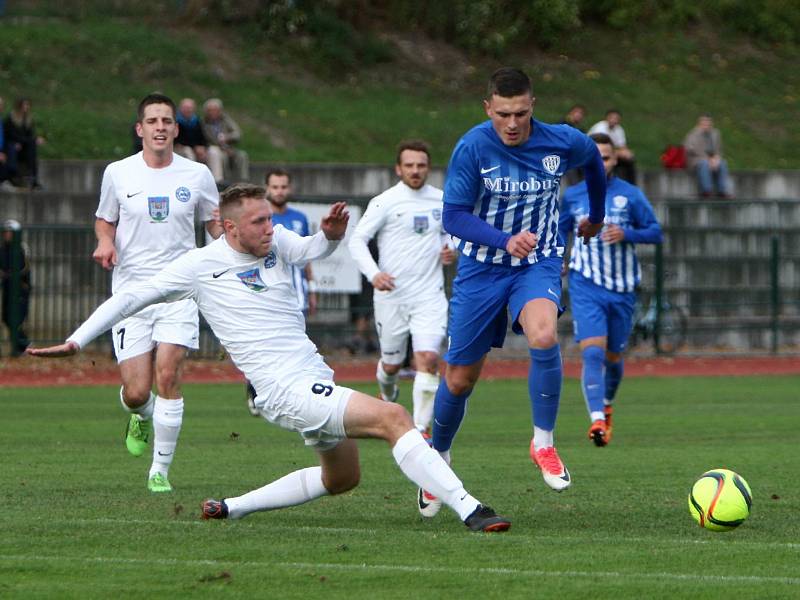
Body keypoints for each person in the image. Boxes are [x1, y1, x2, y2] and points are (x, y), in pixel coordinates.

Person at [28, 183, 511, 534]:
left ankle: (231, 508)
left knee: (341, 479)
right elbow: (128, 299)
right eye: (258, 221)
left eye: (269, 217)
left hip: (311, 373)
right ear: (229, 226)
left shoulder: (276, 241)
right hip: (282, 389)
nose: (270, 226)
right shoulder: (198, 266)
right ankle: (471, 508)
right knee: (393, 416)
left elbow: (308, 250)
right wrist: (76, 340)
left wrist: (331, 236)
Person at [421, 67, 606, 519]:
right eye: (503, 114)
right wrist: (504, 240)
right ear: (488, 108)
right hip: (481, 270)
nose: (512, 123)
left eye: (521, 113)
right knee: (460, 380)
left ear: (532, 107)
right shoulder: (472, 147)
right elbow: (454, 217)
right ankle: (436, 460)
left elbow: (595, 162)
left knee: (544, 336)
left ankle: (543, 443)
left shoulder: (562, 140)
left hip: (536, 263)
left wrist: (596, 215)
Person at [92, 93, 222, 493]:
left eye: (167, 120)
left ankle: (159, 471)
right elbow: (104, 220)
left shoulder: (197, 175)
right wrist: (105, 243)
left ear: (176, 129)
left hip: (180, 291)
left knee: (168, 373)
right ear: (140, 129)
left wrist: (234, 248)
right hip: (131, 293)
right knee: (136, 392)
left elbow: (215, 225)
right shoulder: (118, 173)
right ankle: (140, 415)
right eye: (153, 121)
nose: (161, 127)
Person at [559, 133, 663, 446]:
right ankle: (597, 422)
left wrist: (627, 233)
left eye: (605, 157)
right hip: (585, 282)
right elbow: (560, 230)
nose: (600, 162)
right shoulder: (574, 195)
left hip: (621, 288)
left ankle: (606, 405)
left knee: (614, 358)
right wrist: (559, 259)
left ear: (615, 159)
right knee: (592, 352)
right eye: (595, 157)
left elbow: (656, 232)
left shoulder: (630, 195)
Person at [349, 139, 454, 449]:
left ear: (428, 168)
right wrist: (374, 274)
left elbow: (454, 234)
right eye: (409, 165)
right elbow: (357, 240)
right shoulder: (385, 201)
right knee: (391, 364)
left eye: (421, 165)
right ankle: (389, 391)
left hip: (429, 294)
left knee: (428, 358)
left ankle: (420, 430)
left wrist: (452, 250)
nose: (415, 170)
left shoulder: (441, 200)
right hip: (392, 295)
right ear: (399, 169)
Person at [244, 168, 318, 416]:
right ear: (267, 189)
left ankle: (290, 394)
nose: (280, 191)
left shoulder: (300, 218)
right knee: (262, 342)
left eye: (283, 186)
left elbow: (305, 255)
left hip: (296, 291)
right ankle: (255, 389)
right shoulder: (259, 219)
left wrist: (312, 287)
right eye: (275, 187)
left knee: (295, 342)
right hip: (266, 291)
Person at [0, 219, 31, 355]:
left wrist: (8, 274)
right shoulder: (2, 249)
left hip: (19, 290)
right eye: (5, 232)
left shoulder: (21, 248)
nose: (7, 235)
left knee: (16, 319)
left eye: (9, 233)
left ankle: (24, 345)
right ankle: (21, 346)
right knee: (7, 317)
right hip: (7, 289)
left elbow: (24, 269)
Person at [683, 114, 732, 198]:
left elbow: (719, 149)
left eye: (708, 123)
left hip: (712, 159)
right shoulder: (693, 134)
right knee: (705, 164)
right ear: (699, 124)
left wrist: (717, 158)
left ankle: (722, 191)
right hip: (697, 160)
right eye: (704, 123)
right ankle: (706, 190)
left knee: (723, 163)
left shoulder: (715, 133)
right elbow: (690, 149)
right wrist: (708, 159)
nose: (706, 125)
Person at [201, 98, 249, 184]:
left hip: (229, 147)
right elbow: (207, 140)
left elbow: (237, 133)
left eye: (216, 110)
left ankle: (243, 181)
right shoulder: (203, 123)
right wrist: (223, 148)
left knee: (242, 156)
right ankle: (223, 183)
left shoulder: (225, 120)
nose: (213, 113)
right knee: (223, 157)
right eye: (210, 110)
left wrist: (227, 137)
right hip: (214, 149)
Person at [2, 97, 45, 189]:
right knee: (18, 145)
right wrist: (29, 140)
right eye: (24, 105)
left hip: (23, 145)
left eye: (28, 105)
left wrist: (34, 139)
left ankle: (33, 177)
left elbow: (30, 134)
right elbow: (10, 135)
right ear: (19, 106)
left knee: (32, 146)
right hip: (11, 144)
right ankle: (13, 176)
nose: (26, 107)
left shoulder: (28, 119)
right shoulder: (11, 118)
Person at [588, 109, 636, 183]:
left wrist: (627, 153)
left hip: (607, 152)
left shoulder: (619, 129)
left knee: (629, 161)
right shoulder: (600, 127)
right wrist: (618, 153)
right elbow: (600, 146)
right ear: (606, 118)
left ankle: (631, 185)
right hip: (593, 152)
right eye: (611, 118)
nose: (613, 120)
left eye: (616, 119)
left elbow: (622, 146)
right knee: (610, 159)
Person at [174, 98, 209, 165]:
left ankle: (214, 175)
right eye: (185, 108)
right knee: (188, 151)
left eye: (190, 108)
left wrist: (203, 147)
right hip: (180, 148)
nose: (187, 110)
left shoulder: (197, 121)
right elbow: (178, 139)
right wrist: (195, 147)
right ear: (180, 108)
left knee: (212, 152)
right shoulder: (176, 121)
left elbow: (203, 137)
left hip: (196, 147)